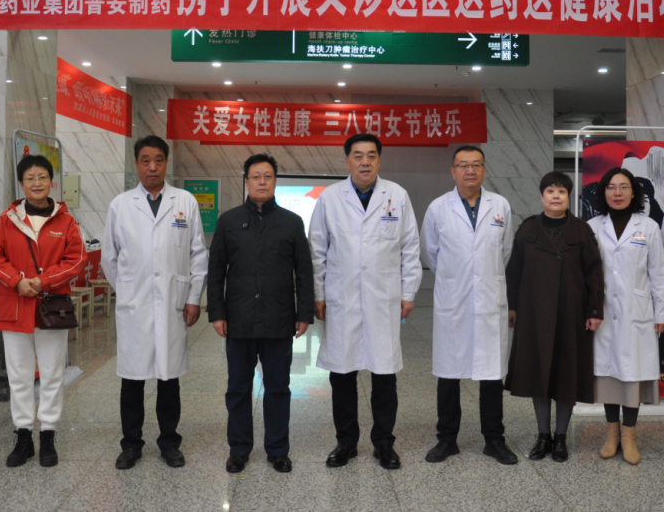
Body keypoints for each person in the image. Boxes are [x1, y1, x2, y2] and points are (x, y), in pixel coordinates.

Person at [308, 133, 422, 470]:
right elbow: (317, 250)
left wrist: (408, 293)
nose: (365, 162)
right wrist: (318, 294)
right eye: (357, 156)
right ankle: (346, 442)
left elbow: (410, 247)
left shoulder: (396, 196)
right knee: (342, 374)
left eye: (371, 155)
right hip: (341, 297)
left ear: (379, 160)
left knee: (384, 374)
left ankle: (384, 443)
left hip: (383, 298)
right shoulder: (330, 198)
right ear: (347, 161)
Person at [102, 136, 208, 470]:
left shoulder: (185, 202)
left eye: (158, 160)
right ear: (136, 164)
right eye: (145, 160)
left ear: (166, 163)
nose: (152, 167)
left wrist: (193, 297)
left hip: (173, 304)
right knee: (132, 380)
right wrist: (128, 291)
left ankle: (169, 443)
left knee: (168, 378)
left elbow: (198, 254)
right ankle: (131, 444)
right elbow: (109, 258)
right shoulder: (121, 205)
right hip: (134, 307)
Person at [207, 154, 315, 474]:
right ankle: (239, 449)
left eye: (268, 176)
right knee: (238, 388)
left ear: (275, 181)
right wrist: (217, 313)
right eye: (256, 176)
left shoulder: (291, 222)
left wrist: (304, 313)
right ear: (246, 181)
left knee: (278, 387)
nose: (262, 182)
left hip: (278, 319)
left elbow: (303, 272)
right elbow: (216, 271)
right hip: (238, 319)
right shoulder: (228, 221)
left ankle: (278, 449)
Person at [0, 154, 86, 468]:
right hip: (14, 308)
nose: (37, 183)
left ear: (51, 182)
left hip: (51, 308)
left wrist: (43, 281)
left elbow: (76, 259)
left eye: (42, 177)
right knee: (19, 376)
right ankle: (23, 435)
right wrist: (16, 281)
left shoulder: (66, 221)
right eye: (30, 178)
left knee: (53, 374)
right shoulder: (6, 220)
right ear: (21, 183)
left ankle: (49, 434)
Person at [419, 146, 518, 466]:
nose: (470, 170)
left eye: (476, 165)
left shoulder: (500, 205)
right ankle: (447, 439)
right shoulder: (438, 207)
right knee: (449, 373)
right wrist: (457, 277)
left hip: (489, 299)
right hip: (454, 300)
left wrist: (481, 276)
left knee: (491, 374)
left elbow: (505, 251)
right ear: (453, 171)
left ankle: (494, 439)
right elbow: (430, 252)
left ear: (484, 170)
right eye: (463, 165)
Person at [505, 171, 604, 463]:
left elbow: (594, 273)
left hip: (570, 313)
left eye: (562, 191)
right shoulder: (528, 228)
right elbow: (514, 270)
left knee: (565, 374)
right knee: (538, 373)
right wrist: (512, 306)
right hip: (533, 313)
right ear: (541, 196)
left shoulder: (581, 230)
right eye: (550, 191)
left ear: (568, 197)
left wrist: (594, 310)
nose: (556, 196)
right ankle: (543, 435)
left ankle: (560, 437)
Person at [587, 168, 664, 466]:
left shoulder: (648, 227)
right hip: (602, 313)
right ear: (603, 193)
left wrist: (662, 311)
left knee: (632, 374)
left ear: (634, 192)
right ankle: (611, 435)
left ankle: (629, 437)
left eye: (624, 187)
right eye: (611, 187)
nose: (618, 193)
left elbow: (658, 272)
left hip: (638, 312)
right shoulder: (592, 226)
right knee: (609, 375)